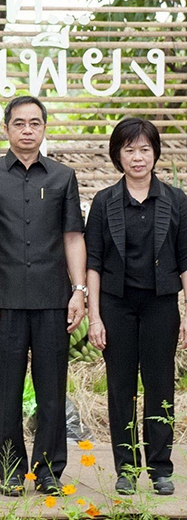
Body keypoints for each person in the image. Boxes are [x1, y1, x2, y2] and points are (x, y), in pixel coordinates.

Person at [0, 96, 86, 496]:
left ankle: (49, 470)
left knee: (52, 389)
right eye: (19, 123)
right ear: (6, 129)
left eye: (35, 123)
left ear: (44, 128)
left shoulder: (63, 177)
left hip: (53, 299)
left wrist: (79, 290)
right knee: (6, 391)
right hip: (5, 301)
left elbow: (73, 237)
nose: (28, 130)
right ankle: (12, 470)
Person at [85, 118, 187, 496]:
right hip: (116, 306)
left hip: (161, 305)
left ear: (156, 153)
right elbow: (93, 262)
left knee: (161, 386)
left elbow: (185, 258)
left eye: (145, 148)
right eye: (129, 149)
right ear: (118, 155)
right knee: (121, 388)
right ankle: (126, 469)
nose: (137, 157)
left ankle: (161, 468)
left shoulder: (176, 200)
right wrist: (94, 316)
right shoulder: (104, 201)